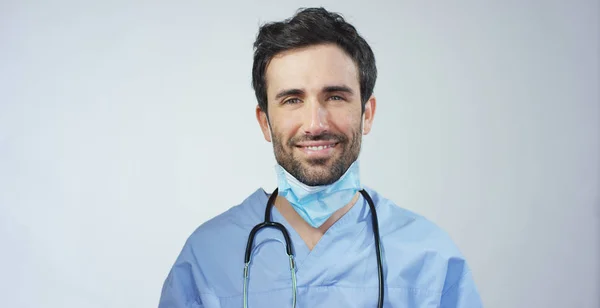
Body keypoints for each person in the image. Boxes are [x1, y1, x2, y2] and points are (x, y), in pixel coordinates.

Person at [158, 7, 482, 308]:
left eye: (336, 96)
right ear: (264, 122)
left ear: (367, 114)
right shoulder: (206, 260)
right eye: (292, 100)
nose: (315, 124)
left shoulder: (431, 261)